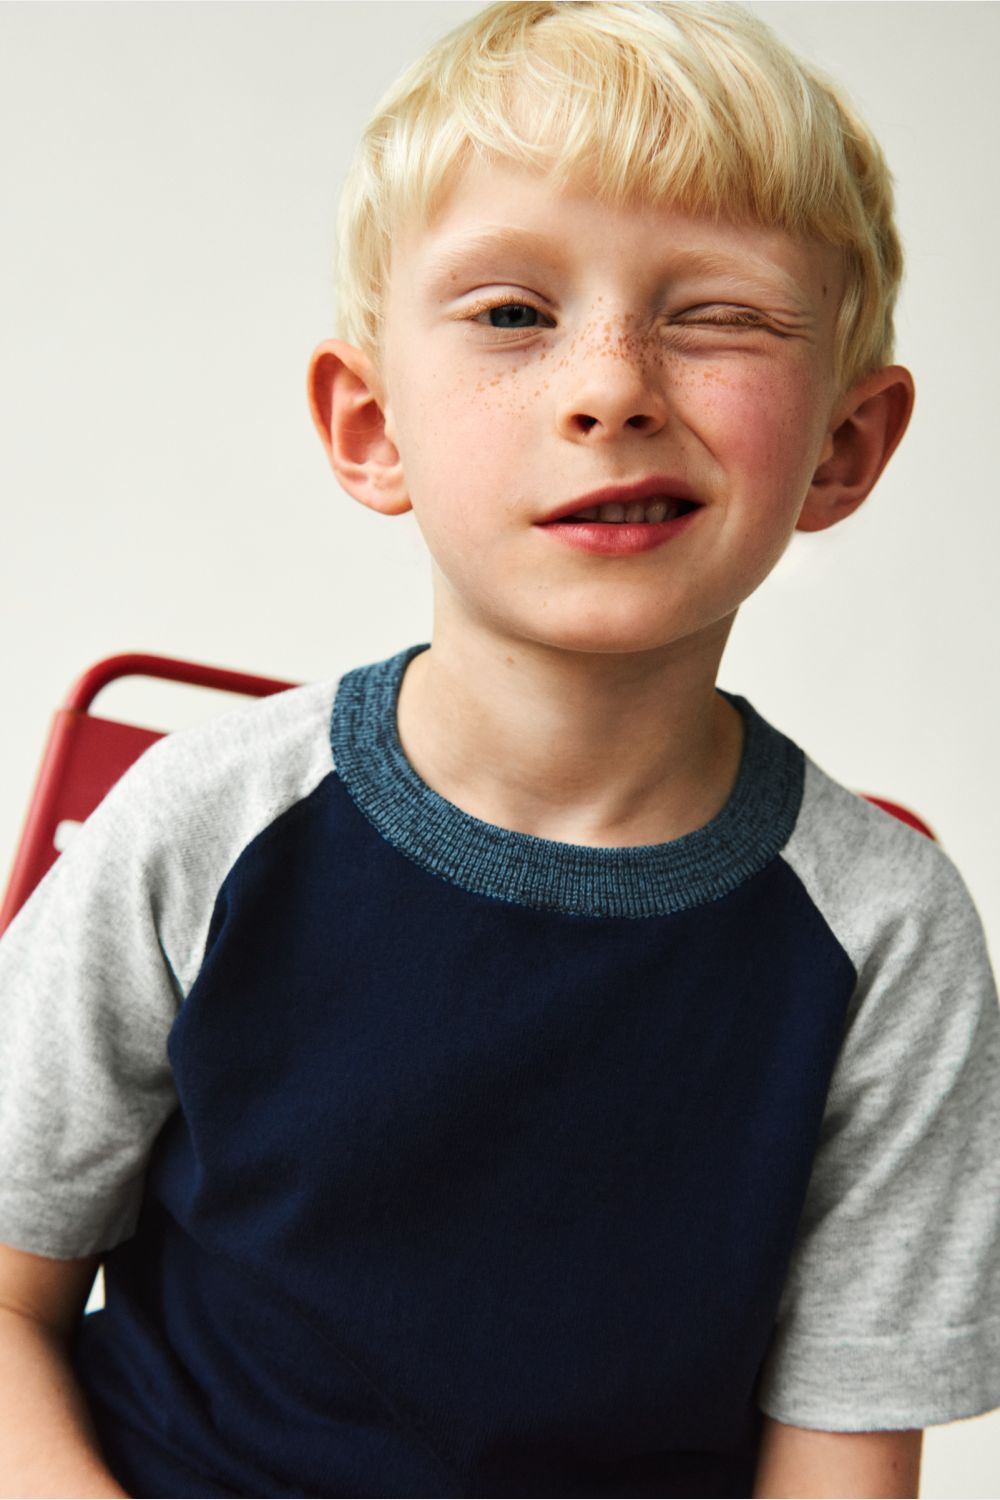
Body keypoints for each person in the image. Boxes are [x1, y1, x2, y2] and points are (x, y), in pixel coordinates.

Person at [1, 3, 998, 1496]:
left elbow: (840, 1468)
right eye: (515, 314)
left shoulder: (887, 940)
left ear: (844, 448)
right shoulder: (203, 823)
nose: (611, 386)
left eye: (717, 314)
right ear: (370, 426)